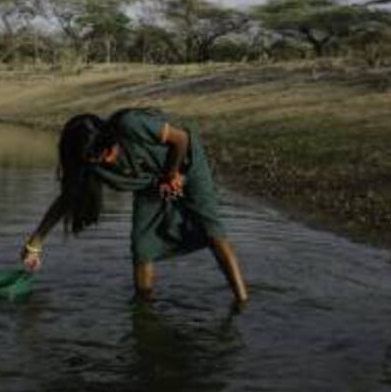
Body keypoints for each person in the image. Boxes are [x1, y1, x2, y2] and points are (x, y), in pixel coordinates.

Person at [21, 107, 249, 305]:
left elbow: (181, 139)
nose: (109, 160)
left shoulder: (131, 124)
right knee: (142, 249)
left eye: (109, 151)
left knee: (213, 231)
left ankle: (242, 301)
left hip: (185, 163)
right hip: (149, 183)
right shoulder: (90, 162)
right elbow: (66, 200)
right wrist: (35, 243)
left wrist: (172, 174)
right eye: (100, 159)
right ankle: (144, 310)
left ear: (109, 137)